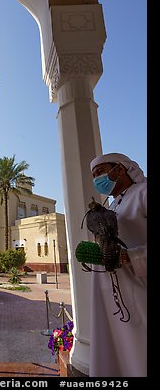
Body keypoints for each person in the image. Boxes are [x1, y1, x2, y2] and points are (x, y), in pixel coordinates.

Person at [88, 152, 147, 377]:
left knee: (138, 354)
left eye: (100, 172)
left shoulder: (143, 193)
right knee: (113, 353)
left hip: (138, 292)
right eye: (93, 175)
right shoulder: (113, 205)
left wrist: (130, 257)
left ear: (120, 169)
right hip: (111, 294)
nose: (96, 180)